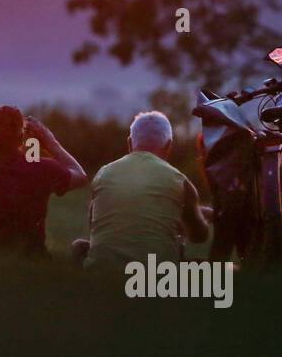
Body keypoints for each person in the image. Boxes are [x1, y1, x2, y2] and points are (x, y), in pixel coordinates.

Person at [79, 111, 211, 269]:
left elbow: (95, 227)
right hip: (156, 274)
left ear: (129, 143)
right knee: (221, 268)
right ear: (169, 145)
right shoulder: (180, 181)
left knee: (79, 247)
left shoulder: (103, 173)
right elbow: (199, 236)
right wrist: (204, 216)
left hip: (103, 269)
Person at [0, 106, 89, 255]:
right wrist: (51, 143)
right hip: (31, 256)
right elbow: (80, 176)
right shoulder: (42, 168)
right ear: (21, 138)